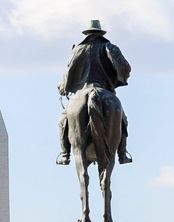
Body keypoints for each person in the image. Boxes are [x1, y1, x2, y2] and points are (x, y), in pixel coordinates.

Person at [56, 20, 132, 166]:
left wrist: (63, 86)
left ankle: (65, 155)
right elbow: (125, 67)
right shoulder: (110, 47)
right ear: (100, 34)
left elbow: (68, 71)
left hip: (81, 91)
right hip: (105, 90)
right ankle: (122, 154)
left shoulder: (78, 49)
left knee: (62, 121)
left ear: (87, 34)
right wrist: (120, 78)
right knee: (122, 119)